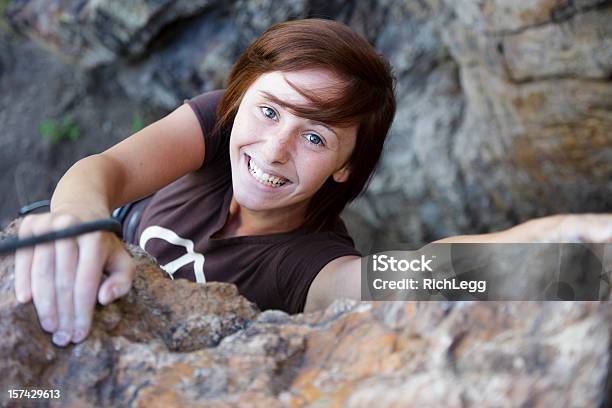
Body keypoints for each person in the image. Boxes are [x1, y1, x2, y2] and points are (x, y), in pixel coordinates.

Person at [13, 19, 612, 347]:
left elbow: (415, 274)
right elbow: (106, 171)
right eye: (269, 111)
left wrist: (566, 242)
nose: (273, 150)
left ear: (347, 166)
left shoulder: (311, 266)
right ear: (240, 98)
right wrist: (79, 221)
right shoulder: (216, 125)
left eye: (317, 137)